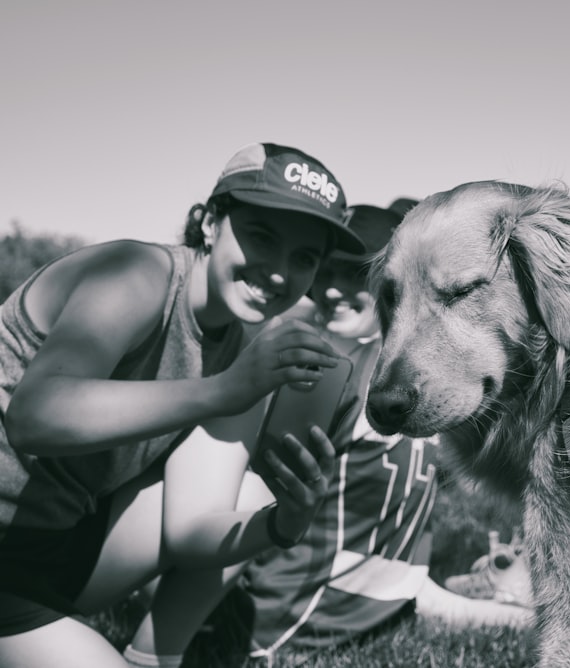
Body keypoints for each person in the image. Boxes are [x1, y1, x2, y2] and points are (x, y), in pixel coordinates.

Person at [0, 141, 366, 668]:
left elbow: (190, 532)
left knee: (251, 489)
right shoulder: (135, 274)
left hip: (55, 548)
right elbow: (33, 417)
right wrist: (222, 390)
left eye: (304, 257)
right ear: (211, 222)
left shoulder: (243, 345)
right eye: (262, 236)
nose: (281, 272)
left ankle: (154, 658)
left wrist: (282, 523)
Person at [127, 203, 533, 666]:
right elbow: (241, 501)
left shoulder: (399, 382)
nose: (334, 289)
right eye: (325, 271)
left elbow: (395, 564)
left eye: (356, 274)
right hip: (300, 618)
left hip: (366, 602)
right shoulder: (340, 374)